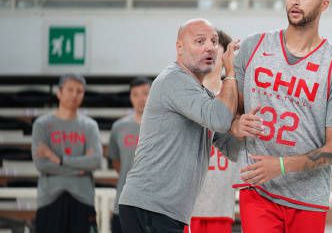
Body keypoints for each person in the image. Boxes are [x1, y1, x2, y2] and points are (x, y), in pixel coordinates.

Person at [232, 0, 332, 233]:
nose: (295, 1)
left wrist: (281, 166)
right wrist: (234, 123)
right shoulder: (253, 47)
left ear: (324, 4)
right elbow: (233, 111)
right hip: (258, 190)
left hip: (308, 198)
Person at [118, 18, 241, 233]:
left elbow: (232, 148)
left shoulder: (201, 93)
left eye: (213, 41)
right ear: (180, 47)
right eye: (200, 41)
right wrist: (230, 73)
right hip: (151, 207)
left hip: (165, 210)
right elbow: (220, 119)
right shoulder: (174, 79)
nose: (210, 47)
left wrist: (243, 127)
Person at [32, 73, 103, 233]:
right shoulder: (42, 125)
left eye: (79, 91)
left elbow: (96, 161)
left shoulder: (90, 125)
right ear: (59, 92)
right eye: (70, 90)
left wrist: (58, 159)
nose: (74, 95)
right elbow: (41, 165)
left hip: (83, 198)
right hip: (50, 198)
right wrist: (80, 167)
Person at [189, 30, 239, 233]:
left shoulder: (236, 98)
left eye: (214, 48)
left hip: (220, 203)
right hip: (186, 204)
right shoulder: (186, 95)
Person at [107, 76, 151, 233]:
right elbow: (117, 163)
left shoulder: (162, 126)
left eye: (145, 93)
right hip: (124, 202)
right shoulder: (119, 127)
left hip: (154, 204)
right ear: (130, 97)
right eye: (136, 94)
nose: (141, 99)